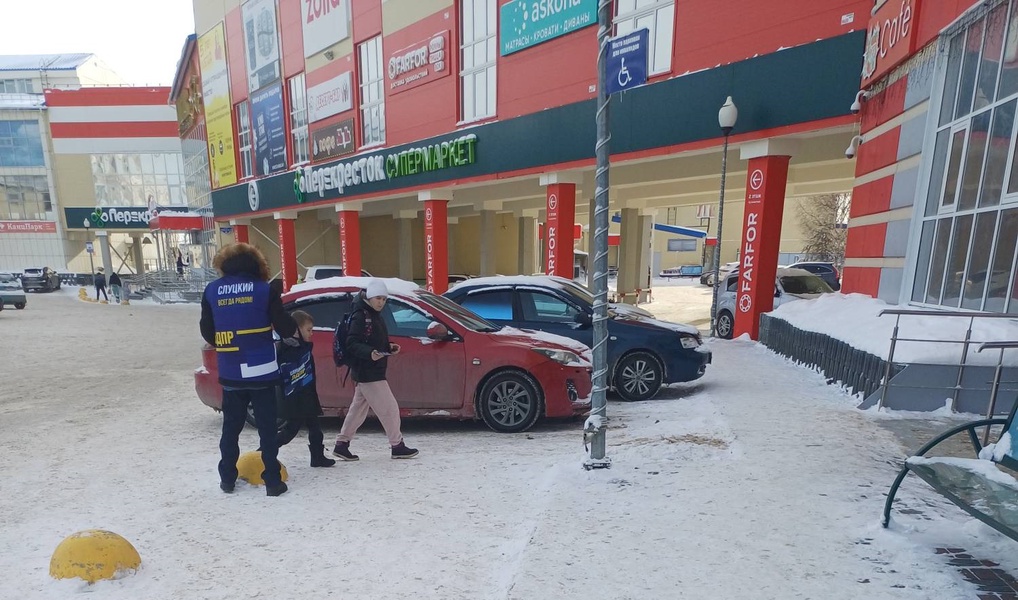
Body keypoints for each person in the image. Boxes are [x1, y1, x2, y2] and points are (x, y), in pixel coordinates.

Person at [199, 243, 297, 497]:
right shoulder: (264, 290)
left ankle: (227, 479)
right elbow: (285, 327)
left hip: (231, 370)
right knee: (266, 428)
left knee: (231, 428)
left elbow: (207, 331)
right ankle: (272, 481)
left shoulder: (212, 291)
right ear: (257, 265)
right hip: (262, 371)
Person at [333, 279, 418, 461]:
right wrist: (370, 353)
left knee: (357, 411)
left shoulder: (371, 313)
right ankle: (397, 445)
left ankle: (341, 444)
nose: (381, 302)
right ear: (370, 297)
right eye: (378, 298)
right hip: (369, 371)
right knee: (390, 409)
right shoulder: (361, 315)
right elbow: (352, 343)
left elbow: (372, 340)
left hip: (368, 369)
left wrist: (388, 347)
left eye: (384, 299)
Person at [275, 310, 335, 467]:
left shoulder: (303, 346)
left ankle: (317, 456)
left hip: (307, 394)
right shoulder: (288, 349)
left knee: (315, 427)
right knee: (290, 430)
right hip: (296, 398)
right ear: (296, 330)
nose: (311, 334)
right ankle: (264, 451)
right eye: (308, 330)